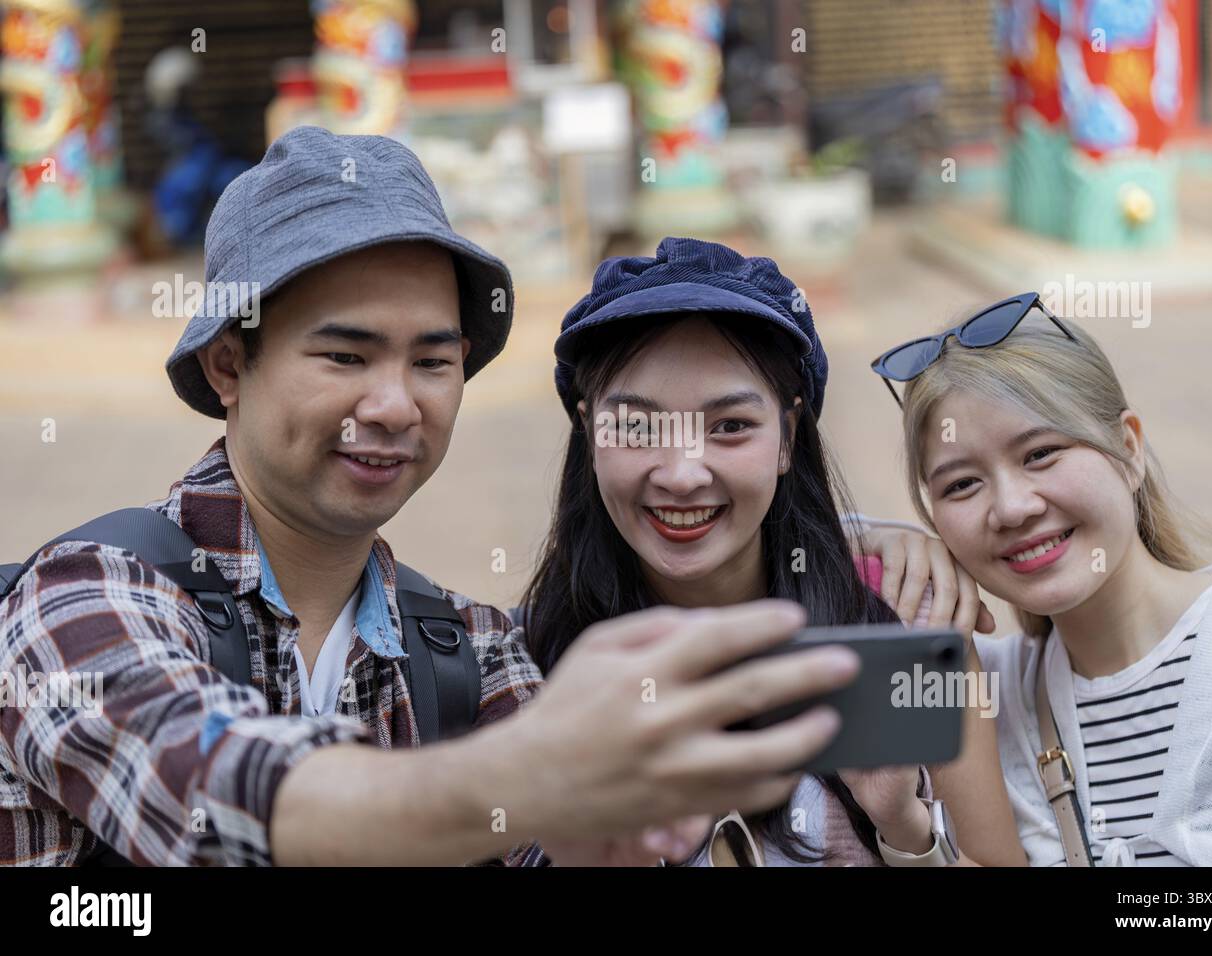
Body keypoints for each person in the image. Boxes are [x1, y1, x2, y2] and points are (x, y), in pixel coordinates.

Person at [0, 128, 868, 867]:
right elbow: (195, 782)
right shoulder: (83, 594)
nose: (393, 405)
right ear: (230, 364)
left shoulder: (477, 653)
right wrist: (510, 780)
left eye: (431, 361)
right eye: (345, 356)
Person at [522, 238, 1025, 866]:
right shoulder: (526, 666)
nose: (682, 474)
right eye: (637, 426)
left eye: (730, 426)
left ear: (787, 438)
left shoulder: (905, 623)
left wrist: (903, 826)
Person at [873, 292, 1212, 865]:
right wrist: (874, 538)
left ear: (1128, 449)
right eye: (961, 485)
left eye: (1041, 453)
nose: (1011, 508)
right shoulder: (986, 693)